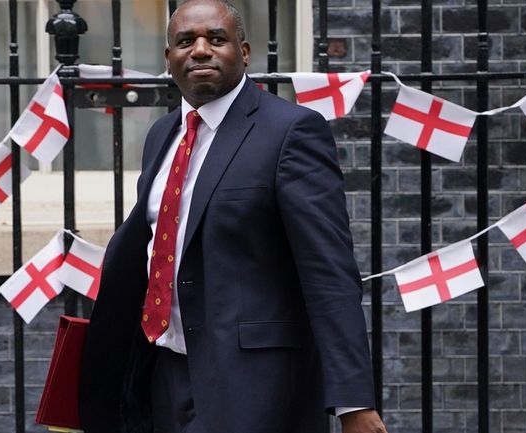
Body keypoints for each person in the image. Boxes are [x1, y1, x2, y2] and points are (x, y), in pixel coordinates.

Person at [79, 1, 387, 432]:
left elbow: (329, 274)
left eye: (216, 39)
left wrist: (353, 401)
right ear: (169, 59)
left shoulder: (290, 132)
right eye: (186, 41)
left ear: (243, 52)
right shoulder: (161, 136)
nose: (200, 50)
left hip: (256, 386)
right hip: (164, 374)